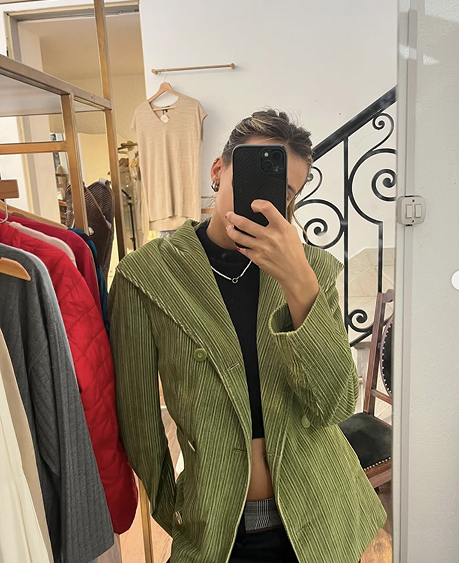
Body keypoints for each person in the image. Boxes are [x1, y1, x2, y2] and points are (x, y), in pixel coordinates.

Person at [109, 110, 386, 563]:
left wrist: (299, 282)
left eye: (285, 191)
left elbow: (334, 406)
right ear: (218, 170)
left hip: (323, 518)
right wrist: (177, 512)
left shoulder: (310, 270)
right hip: (218, 525)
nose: (263, 199)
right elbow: (139, 420)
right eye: (251, 174)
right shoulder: (148, 276)